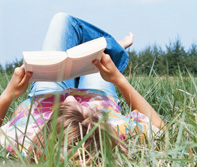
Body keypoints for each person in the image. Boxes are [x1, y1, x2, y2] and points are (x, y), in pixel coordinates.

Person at [0, 12, 165, 163]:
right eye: (87, 111)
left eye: (62, 110)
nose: (71, 97)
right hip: (98, 95)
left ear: (43, 135)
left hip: (46, 94)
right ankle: (114, 50)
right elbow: (159, 128)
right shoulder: (112, 131)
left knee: (62, 21)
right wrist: (117, 79)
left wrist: (9, 94)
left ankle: (109, 49)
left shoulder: (23, 140)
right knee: (99, 55)